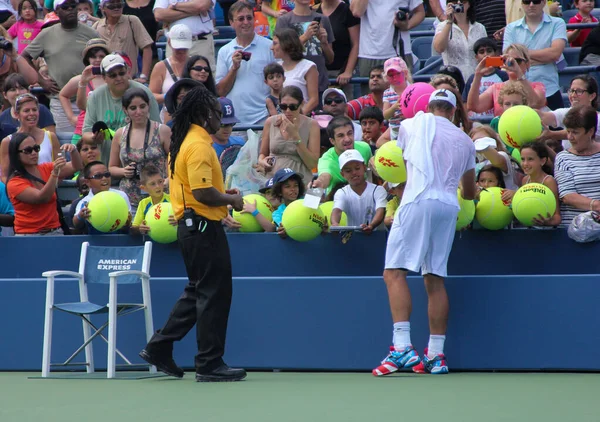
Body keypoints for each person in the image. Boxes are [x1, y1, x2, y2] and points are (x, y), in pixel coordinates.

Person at [139, 85, 247, 382]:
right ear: (202, 114)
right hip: (201, 226)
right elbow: (202, 193)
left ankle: (159, 347)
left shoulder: (183, 141)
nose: (219, 118)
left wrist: (223, 193)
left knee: (199, 291)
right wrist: (231, 200)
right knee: (213, 294)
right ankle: (209, 364)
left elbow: (195, 189)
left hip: (191, 226)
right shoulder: (199, 144)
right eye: (214, 113)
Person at [373, 89, 476, 376]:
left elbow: (407, 167)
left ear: (429, 106)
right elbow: (469, 192)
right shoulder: (466, 141)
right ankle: (435, 355)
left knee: (393, 273)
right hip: (447, 208)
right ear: (454, 112)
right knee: (434, 280)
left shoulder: (409, 125)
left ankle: (403, 348)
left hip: (417, 201)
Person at [22, 0, 98, 133]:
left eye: (73, 6)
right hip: (60, 101)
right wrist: (42, 81)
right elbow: (24, 57)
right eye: (65, 7)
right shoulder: (47, 34)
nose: (70, 10)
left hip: (90, 99)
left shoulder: (90, 33)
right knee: (66, 143)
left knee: (92, 141)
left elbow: (104, 57)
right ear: (57, 12)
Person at [82, 54, 160, 165]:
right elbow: (86, 132)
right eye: (113, 75)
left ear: (128, 71)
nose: (118, 78)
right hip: (107, 162)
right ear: (104, 78)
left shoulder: (143, 92)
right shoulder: (95, 96)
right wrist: (94, 138)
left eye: (121, 73)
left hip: (140, 163)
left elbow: (156, 128)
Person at [6, 132, 82, 235]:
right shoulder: (14, 182)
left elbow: (75, 166)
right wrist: (54, 174)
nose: (34, 153)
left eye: (36, 148)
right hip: (29, 235)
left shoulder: (45, 168)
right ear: (17, 155)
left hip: (55, 230)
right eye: (28, 150)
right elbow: (42, 198)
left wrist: (73, 150)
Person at [108, 87, 170, 209]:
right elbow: (111, 168)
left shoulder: (162, 131)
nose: (138, 112)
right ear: (125, 110)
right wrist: (123, 171)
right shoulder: (120, 134)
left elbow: (175, 162)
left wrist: (167, 180)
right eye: (133, 108)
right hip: (130, 199)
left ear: (149, 106)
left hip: (159, 198)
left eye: (142, 106)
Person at [216, 1, 275, 126]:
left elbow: (278, 84)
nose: (246, 22)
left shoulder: (269, 47)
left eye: (249, 18)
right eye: (241, 19)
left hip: (263, 119)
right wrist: (234, 69)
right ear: (231, 23)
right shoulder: (224, 51)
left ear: (254, 19)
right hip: (235, 121)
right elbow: (221, 92)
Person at [503, 0, 567, 110]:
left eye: (536, 1)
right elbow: (508, 59)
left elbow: (555, 54)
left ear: (543, 2)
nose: (531, 5)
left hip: (549, 89)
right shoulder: (511, 27)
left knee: (556, 127)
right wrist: (545, 56)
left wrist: (521, 57)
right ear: (522, 4)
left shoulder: (558, 23)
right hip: (518, 94)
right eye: (527, 1)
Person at [350, 0, 425, 85]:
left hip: (400, 51)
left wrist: (407, 25)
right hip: (369, 52)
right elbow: (356, 11)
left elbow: (420, 12)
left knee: (401, 94)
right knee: (370, 96)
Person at [275, 0, 335, 101]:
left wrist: (324, 42)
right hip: (292, 84)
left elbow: (330, 58)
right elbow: (282, 52)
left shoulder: (324, 19)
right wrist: (305, 37)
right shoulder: (284, 20)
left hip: (319, 82)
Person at [258, 85, 320, 182]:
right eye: (283, 106)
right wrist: (262, 161)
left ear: (301, 104)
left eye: (292, 107)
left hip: (300, 180)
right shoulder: (270, 122)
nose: (287, 111)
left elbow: (312, 163)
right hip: (273, 180)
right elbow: (262, 154)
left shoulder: (312, 125)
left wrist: (295, 137)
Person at [467, 43, 546, 117]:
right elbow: (474, 106)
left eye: (517, 61)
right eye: (507, 60)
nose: (512, 64)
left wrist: (519, 73)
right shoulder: (496, 88)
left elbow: (536, 103)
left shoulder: (537, 86)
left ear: (527, 64)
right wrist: (478, 75)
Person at [554, 105, 600, 228]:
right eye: (568, 131)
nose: (570, 137)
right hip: (572, 229)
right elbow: (567, 196)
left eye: (575, 132)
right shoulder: (562, 158)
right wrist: (597, 206)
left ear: (590, 131)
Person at [58, 38, 108, 144]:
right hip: (82, 130)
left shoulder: (113, 79)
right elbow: (63, 95)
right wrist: (71, 117)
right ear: (87, 59)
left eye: (101, 56)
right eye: (93, 56)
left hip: (106, 130)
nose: (97, 59)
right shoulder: (79, 79)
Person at [0, 93, 60, 182]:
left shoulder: (51, 136)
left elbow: (59, 169)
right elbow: (4, 176)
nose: (31, 114)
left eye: (34, 110)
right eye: (26, 110)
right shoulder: (8, 141)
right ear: (17, 114)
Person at [93, 0, 153, 81]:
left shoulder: (132, 21)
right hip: (106, 80)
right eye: (111, 5)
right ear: (102, 8)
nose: (116, 8)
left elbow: (147, 48)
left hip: (130, 79)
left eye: (119, 4)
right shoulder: (97, 26)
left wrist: (143, 76)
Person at [312, 116, 372, 193]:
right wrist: (320, 183)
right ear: (332, 141)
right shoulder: (326, 160)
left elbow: (371, 173)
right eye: (341, 136)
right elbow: (324, 176)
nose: (347, 139)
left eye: (350, 133)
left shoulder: (365, 148)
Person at [538, 75, 599, 150]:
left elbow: (580, 132)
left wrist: (551, 134)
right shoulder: (566, 112)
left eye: (579, 91)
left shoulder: (598, 118)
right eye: (571, 91)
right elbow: (543, 117)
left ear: (592, 96)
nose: (573, 95)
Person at [331, 149, 386, 232]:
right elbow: (337, 211)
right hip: (352, 239)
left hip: (376, 239)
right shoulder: (342, 193)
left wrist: (371, 226)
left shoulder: (378, 190)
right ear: (342, 174)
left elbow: (380, 211)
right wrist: (335, 224)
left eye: (357, 168)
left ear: (364, 167)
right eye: (348, 171)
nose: (354, 173)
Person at [315, 0, 360, 100]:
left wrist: (348, 71)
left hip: (343, 72)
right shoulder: (313, 11)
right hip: (320, 73)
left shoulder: (347, 10)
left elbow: (356, 44)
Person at [433, 0, 486, 82]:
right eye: (454, 1)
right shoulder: (442, 26)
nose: (458, 3)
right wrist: (449, 22)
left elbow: (485, 55)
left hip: (477, 78)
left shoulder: (480, 27)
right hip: (453, 79)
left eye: (463, 0)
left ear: (469, 4)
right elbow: (439, 48)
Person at [73, 160, 132, 233]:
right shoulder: (85, 202)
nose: (104, 178)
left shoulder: (121, 195)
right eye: (98, 176)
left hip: (119, 239)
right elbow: (76, 224)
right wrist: (80, 216)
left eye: (107, 174)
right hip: (95, 241)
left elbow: (128, 223)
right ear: (87, 182)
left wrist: (126, 223)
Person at [153, 0, 215, 67]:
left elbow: (201, 6)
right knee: (174, 75)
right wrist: (193, 12)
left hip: (200, 42)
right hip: (174, 44)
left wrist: (174, 5)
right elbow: (159, 15)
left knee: (203, 74)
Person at [272, 28, 318, 115]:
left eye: (275, 44)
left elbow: (314, 100)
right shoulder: (276, 66)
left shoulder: (308, 66)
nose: (271, 48)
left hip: (301, 121)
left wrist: (297, 117)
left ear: (286, 44)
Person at [462, 38, 508, 120]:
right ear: (476, 57)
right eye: (481, 52)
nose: (486, 55)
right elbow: (465, 103)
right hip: (476, 120)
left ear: (496, 53)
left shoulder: (503, 76)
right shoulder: (473, 78)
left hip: (497, 119)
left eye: (489, 51)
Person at [518, 141, 561, 226]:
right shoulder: (525, 180)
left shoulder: (548, 181)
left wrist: (548, 222)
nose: (525, 164)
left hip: (547, 232)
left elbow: (557, 216)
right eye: (523, 159)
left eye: (530, 159)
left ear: (542, 161)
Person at [149, 23, 191, 105]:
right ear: (169, 42)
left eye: (184, 48)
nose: (181, 51)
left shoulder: (196, 64)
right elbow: (151, 96)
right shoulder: (160, 67)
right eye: (178, 48)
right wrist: (169, 96)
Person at [130, 164, 176, 236]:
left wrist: (178, 220)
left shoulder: (173, 199)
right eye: (152, 184)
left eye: (160, 182)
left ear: (163, 181)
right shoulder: (143, 203)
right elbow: (134, 227)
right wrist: (140, 228)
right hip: (150, 242)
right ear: (144, 188)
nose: (157, 186)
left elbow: (183, 219)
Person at [382, 57, 410, 141]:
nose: (394, 77)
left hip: (411, 130)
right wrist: (394, 107)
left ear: (405, 73)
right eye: (390, 75)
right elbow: (385, 115)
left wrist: (407, 116)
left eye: (397, 74)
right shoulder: (387, 93)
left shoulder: (412, 89)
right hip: (395, 133)